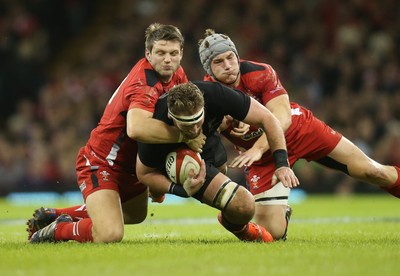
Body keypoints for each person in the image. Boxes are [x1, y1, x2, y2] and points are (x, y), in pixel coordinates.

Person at [197, 29, 400, 241]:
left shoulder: (260, 72)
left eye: (231, 57)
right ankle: (279, 214)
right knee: (273, 233)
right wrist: (218, 125)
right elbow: (205, 133)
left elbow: (282, 117)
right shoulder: (207, 93)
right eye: (219, 62)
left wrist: (257, 146)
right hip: (264, 158)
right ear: (208, 69)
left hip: (300, 130)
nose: (228, 65)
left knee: (372, 171)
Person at [27, 23, 206, 243]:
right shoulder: (144, 84)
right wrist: (186, 136)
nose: (167, 59)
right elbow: (137, 128)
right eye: (160, 53)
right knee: (110, 233)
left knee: (135, 215)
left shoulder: (177, 73)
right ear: (148, 54)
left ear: (181, 54)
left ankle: (55, 215)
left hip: (131, 167)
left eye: (173, 53)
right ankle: (58, 230)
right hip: (102, 163)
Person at [136, 81, 299, 243]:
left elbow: (269, 119)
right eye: (187, 125)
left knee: (222, 169)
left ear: (204, 106)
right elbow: (144, 172)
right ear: (171, 116)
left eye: (197, 122)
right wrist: (182, 191)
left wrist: (282, 163)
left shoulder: (216, 94)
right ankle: (241, 229)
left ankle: (230, 218)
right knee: (244, 206)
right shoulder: (156, 124)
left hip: (209, 145)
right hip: (172, 157)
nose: (193, 130)